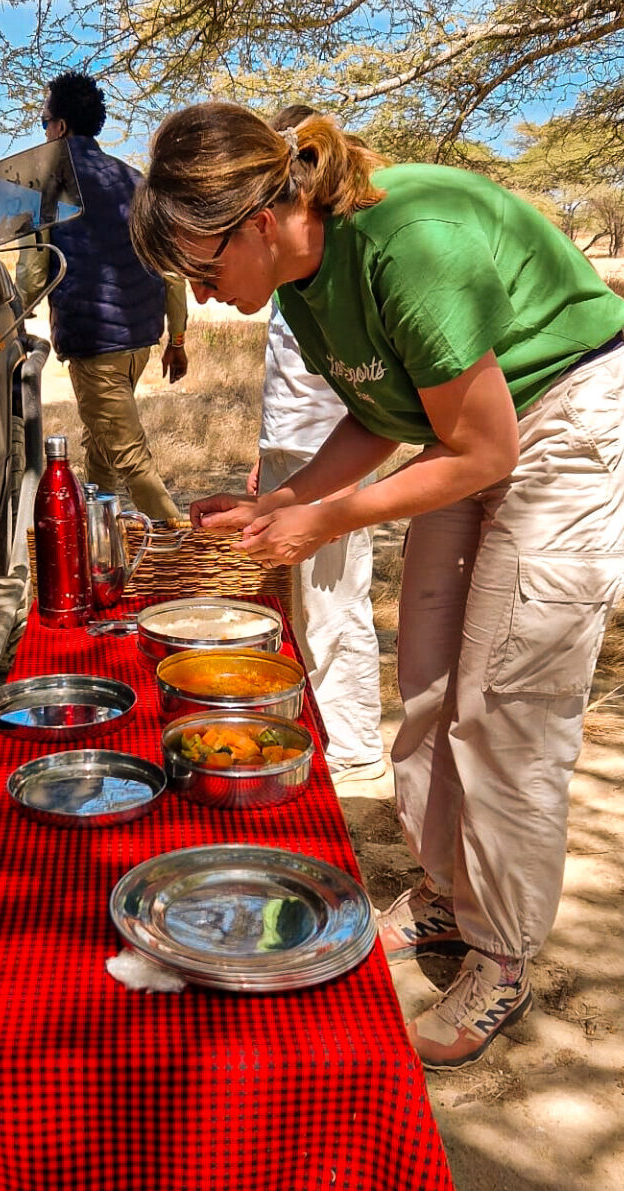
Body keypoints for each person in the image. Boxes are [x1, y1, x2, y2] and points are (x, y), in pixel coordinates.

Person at [130, 103, 624, 1069]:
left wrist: (327, 520)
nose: (204, 298)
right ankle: (447, 897)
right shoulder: (301, 280)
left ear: (261, 219)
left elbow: (485, 445)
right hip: (467, 435)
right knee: (427, 685)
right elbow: (382, 413)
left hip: (567, 426)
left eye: (205, 272)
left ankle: (502, 954)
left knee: (503, 707)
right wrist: (281, 500)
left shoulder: (411, 242)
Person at [254, 104, 386, 788]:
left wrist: (327, 495)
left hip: (329, 457)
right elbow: (289, 376)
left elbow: (365, 391)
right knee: (302, 611)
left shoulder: (346, 260)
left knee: (335, 609)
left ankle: (357, 749)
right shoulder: (287, 271)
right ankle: (326, 731)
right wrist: (267, 467)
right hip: (290, 453)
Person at [16, 71, 188, 520]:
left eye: (44, 121)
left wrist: (12, 316)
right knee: (101, 445)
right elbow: (171, 269)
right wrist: (179, 339)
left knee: (129, 456)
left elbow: (33, 271)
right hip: (140, 341)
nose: (45, 129)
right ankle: (96, 540)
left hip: (95, 344)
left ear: (61, 127)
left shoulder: (45, 183)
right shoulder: (135, 180)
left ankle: (182, 548)